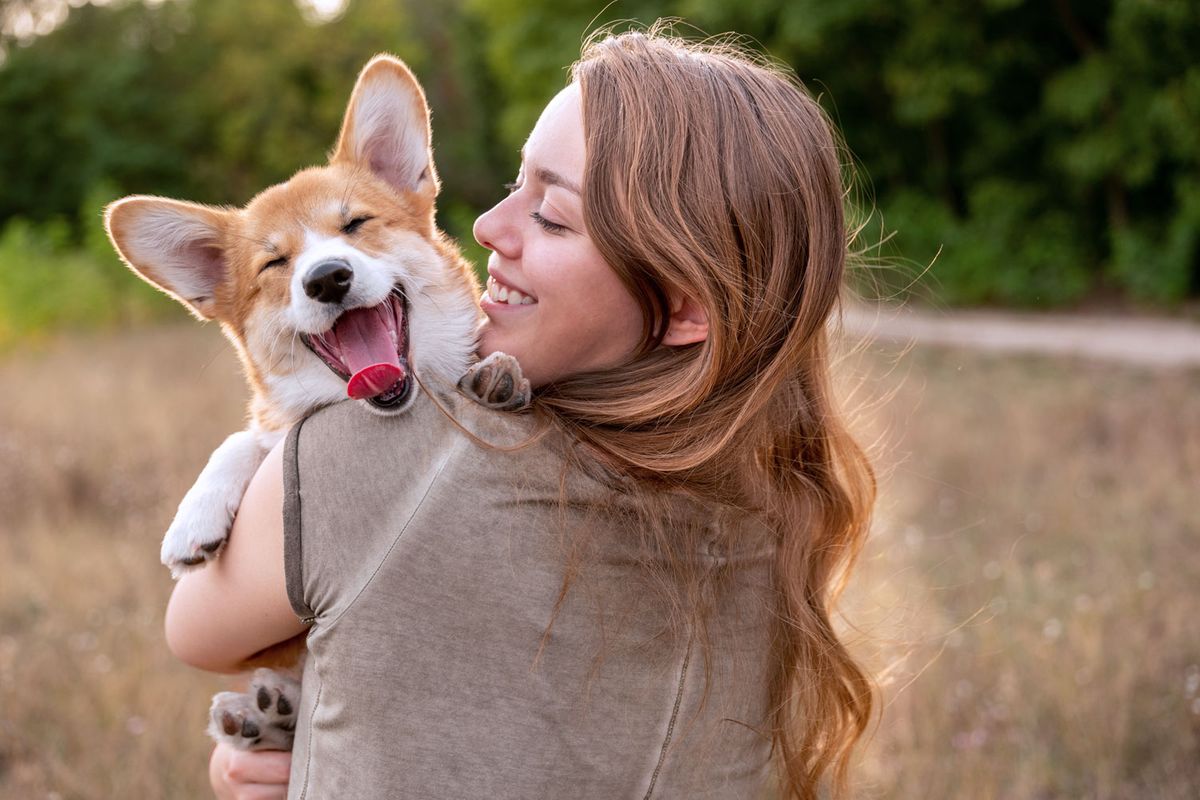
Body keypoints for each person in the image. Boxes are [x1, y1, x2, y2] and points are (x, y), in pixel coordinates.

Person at [167, 25, 876, 800]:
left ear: (680, 304)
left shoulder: (366, 460)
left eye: (553, 215)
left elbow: (194, 631)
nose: (485, 227)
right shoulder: (777, 506)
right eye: (516, 183)